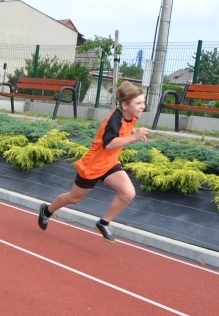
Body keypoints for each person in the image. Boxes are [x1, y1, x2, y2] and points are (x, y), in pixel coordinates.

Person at [37, 81, 149, 242]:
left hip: (110, 163)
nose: (142, 106)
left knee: (128, 193)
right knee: (74, 198)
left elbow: (123, 131)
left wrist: (134, 132)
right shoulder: (114, 119)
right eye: (138, 103)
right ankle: (47, 211)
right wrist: (133, 137)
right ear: (125, 105)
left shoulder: (132, 117)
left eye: (143, 102)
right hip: (93, 165)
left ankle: (103, 223)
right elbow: (108, 144)